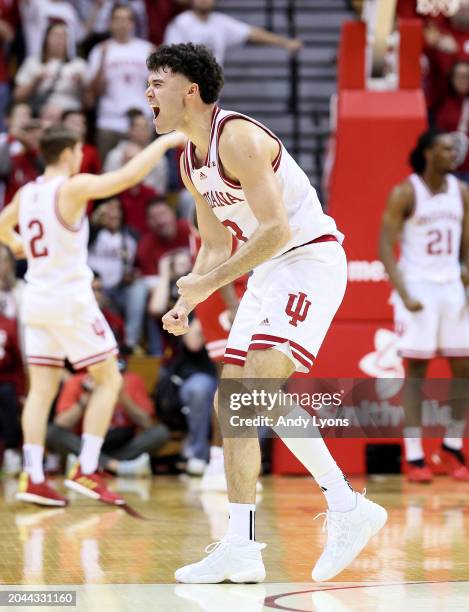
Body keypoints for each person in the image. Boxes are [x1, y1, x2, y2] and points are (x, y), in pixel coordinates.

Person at [146, 43, 387, 584]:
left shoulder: (239, 138)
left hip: (307, 259)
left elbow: (276, 228)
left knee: (256, 389)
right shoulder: (190, 160)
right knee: (233, 403)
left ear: (190, 90)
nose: (147, 93)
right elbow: (212, 246)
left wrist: (210, 281)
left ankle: (347, 505)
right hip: (266, 271)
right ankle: (240, 546)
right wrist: (189, 299)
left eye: (157, 83)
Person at [0, 123, 183, 507]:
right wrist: (165, 141)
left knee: (42, 391)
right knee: (108, 380)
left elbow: (3, 225)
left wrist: (20, 246)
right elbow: (127, 176)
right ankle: (85, 467)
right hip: (70, 300)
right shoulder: (72, 186)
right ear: (68, 153)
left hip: (36, 300)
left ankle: (32, 475)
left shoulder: (27, 192)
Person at [379, 129, 469, 484]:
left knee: (463, 367)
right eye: (446, 149)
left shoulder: (461, 192)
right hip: (418, 289)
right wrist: (403, 292)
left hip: (451, 289)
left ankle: (451, 445)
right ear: (429, 153)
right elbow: (384, 247)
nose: (454, 154)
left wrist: (465, 271)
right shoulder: (405, 192)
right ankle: (414, 454)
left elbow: (466, 244)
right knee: (416, 371)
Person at [150, 249, 217, 474]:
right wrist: (163, 272)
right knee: (201, 389)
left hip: (224, 365)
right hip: (191, 372)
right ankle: (198, 453)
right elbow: (193, 343)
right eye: (176, 264)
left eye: (186, 262)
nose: (183, 267)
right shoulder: (180, 300)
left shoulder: (214, 289)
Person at [47, 365, 169, 477]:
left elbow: (147, 423)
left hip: (124, 443)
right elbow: (60, 424)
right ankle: (117, 467)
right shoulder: (78, 381)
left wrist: (121, 395)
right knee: (52, 433)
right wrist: (85, 400)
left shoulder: (131, 380)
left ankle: (93, 464)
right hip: (85, 443)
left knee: (160, 432)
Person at [87, 3, 155, 159]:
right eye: (117, 19)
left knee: (143, 173)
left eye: (126, 19)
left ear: (132, 23)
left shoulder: (147, 49)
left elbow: (159, 89)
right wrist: (103, 61)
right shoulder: (100, 50)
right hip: (109, 122)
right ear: (110, 23)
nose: (122, 24)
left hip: (141, 123)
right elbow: (94, 93)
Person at [88, 197, 148, 352]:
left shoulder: (129, 236)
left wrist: (131, 275)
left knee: (140, 287)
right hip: (93, 289)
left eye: (117, 209)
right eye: (109, 209)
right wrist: (93, 222)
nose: (113, 213)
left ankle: (130, 342)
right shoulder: (91, 232)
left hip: (119, 290)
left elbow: (137, 266)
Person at [164, 0, 302, 66]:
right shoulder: (181, 24)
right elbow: (169, 58)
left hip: (209, 96)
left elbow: (252, 33)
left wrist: (285, 42)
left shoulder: (221, 23)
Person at [14, 23, 88, 115]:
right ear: (46, 39)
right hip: (40, 112)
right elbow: (17, 96)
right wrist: (35, 81)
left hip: (70, 113)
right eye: (56, 35)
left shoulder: (79, 64)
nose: (59, 40)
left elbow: (89, 102)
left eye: (64, 36)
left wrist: (81, 84)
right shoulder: (33, 62)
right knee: (20, 111)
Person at [104, 108, 169, 195]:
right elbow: (107, 186)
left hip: (149, 202)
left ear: (150, 131)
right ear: (130, 130)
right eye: (138, 127)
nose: (142, 131)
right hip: (119, 200)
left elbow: (159, 191)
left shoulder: (159, 158)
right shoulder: (115, 155)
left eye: (145, 127)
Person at [136, 199, 192, 277]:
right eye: (154, 217)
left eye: (163, 214)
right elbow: (152, 284)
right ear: (148, 222)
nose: (161, 222)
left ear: (173, 213)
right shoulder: (145, 247)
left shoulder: (191, 229)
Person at [435, 60, 469, 182]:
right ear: (451, 79)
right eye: (460, 76)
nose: (464, 80)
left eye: (467, 76)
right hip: (446, 168)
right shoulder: (442, 99)